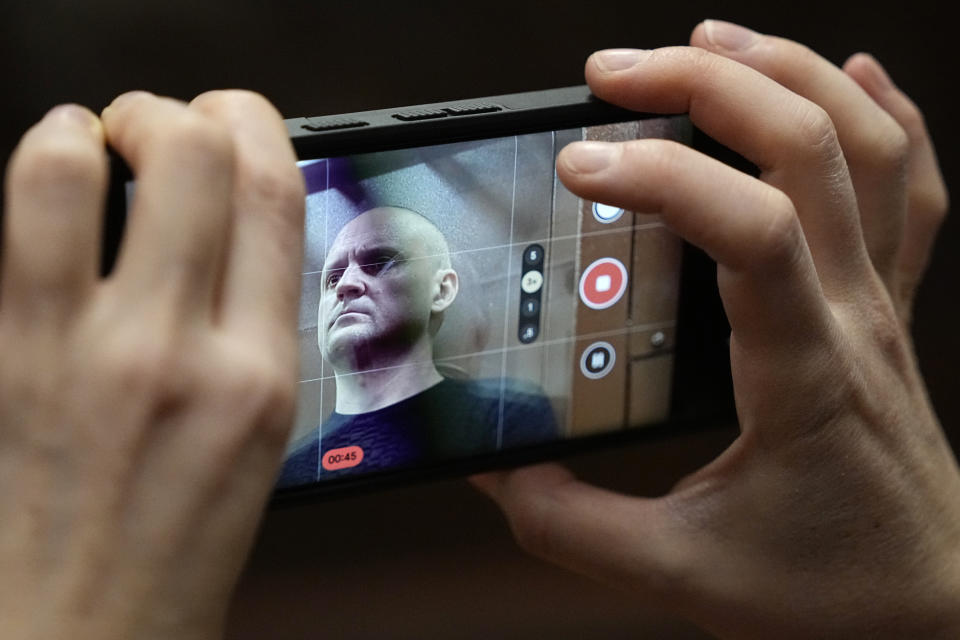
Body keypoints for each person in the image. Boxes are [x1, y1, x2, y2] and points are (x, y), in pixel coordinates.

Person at [0, 19, 956, 640]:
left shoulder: (514, 407)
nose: (345, 281)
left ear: (447, 285)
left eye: (377, 261)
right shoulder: (271, 453)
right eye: (334, 269)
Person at [277, 206, 557, 486]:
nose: (345, 285)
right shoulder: (290, 471)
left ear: (442, 290)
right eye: (333, 278)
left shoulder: (505, 415)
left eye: (381, 263)